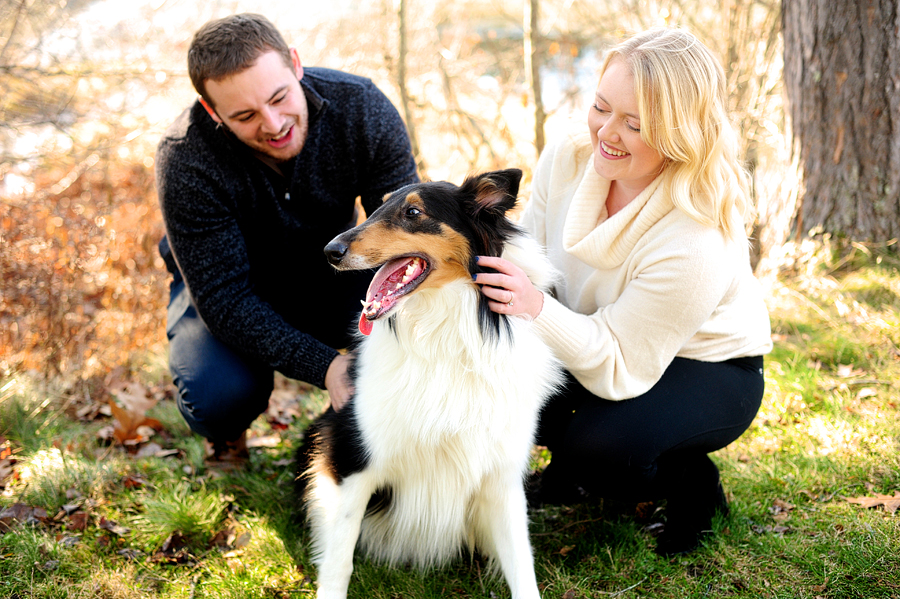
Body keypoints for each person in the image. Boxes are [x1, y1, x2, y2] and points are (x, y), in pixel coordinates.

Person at [473, 28, 773, 555]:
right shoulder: (567, 155)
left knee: (605, 451)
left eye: (634, 124)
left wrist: (535, 308)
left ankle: (691, 483)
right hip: (593, 330)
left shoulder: (695, 236)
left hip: (706, 366)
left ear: (679, 134)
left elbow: (616, 361)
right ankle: (568, 470)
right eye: (600, 107)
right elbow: (538, 264)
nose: (606, 133)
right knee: (500, 393)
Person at [155, 13, 419, 462]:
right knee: (219, 395)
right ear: (212, 110)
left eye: (279, 97)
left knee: (418, 317)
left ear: (295, 63)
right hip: (233, 287)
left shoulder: (360, 107)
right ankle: (226, 438)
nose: (274, 123)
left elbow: (405, 234)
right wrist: (329, 367)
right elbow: (224, 299)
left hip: (335, 267)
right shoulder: (184, 159)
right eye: (245, 115)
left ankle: (412, 438)